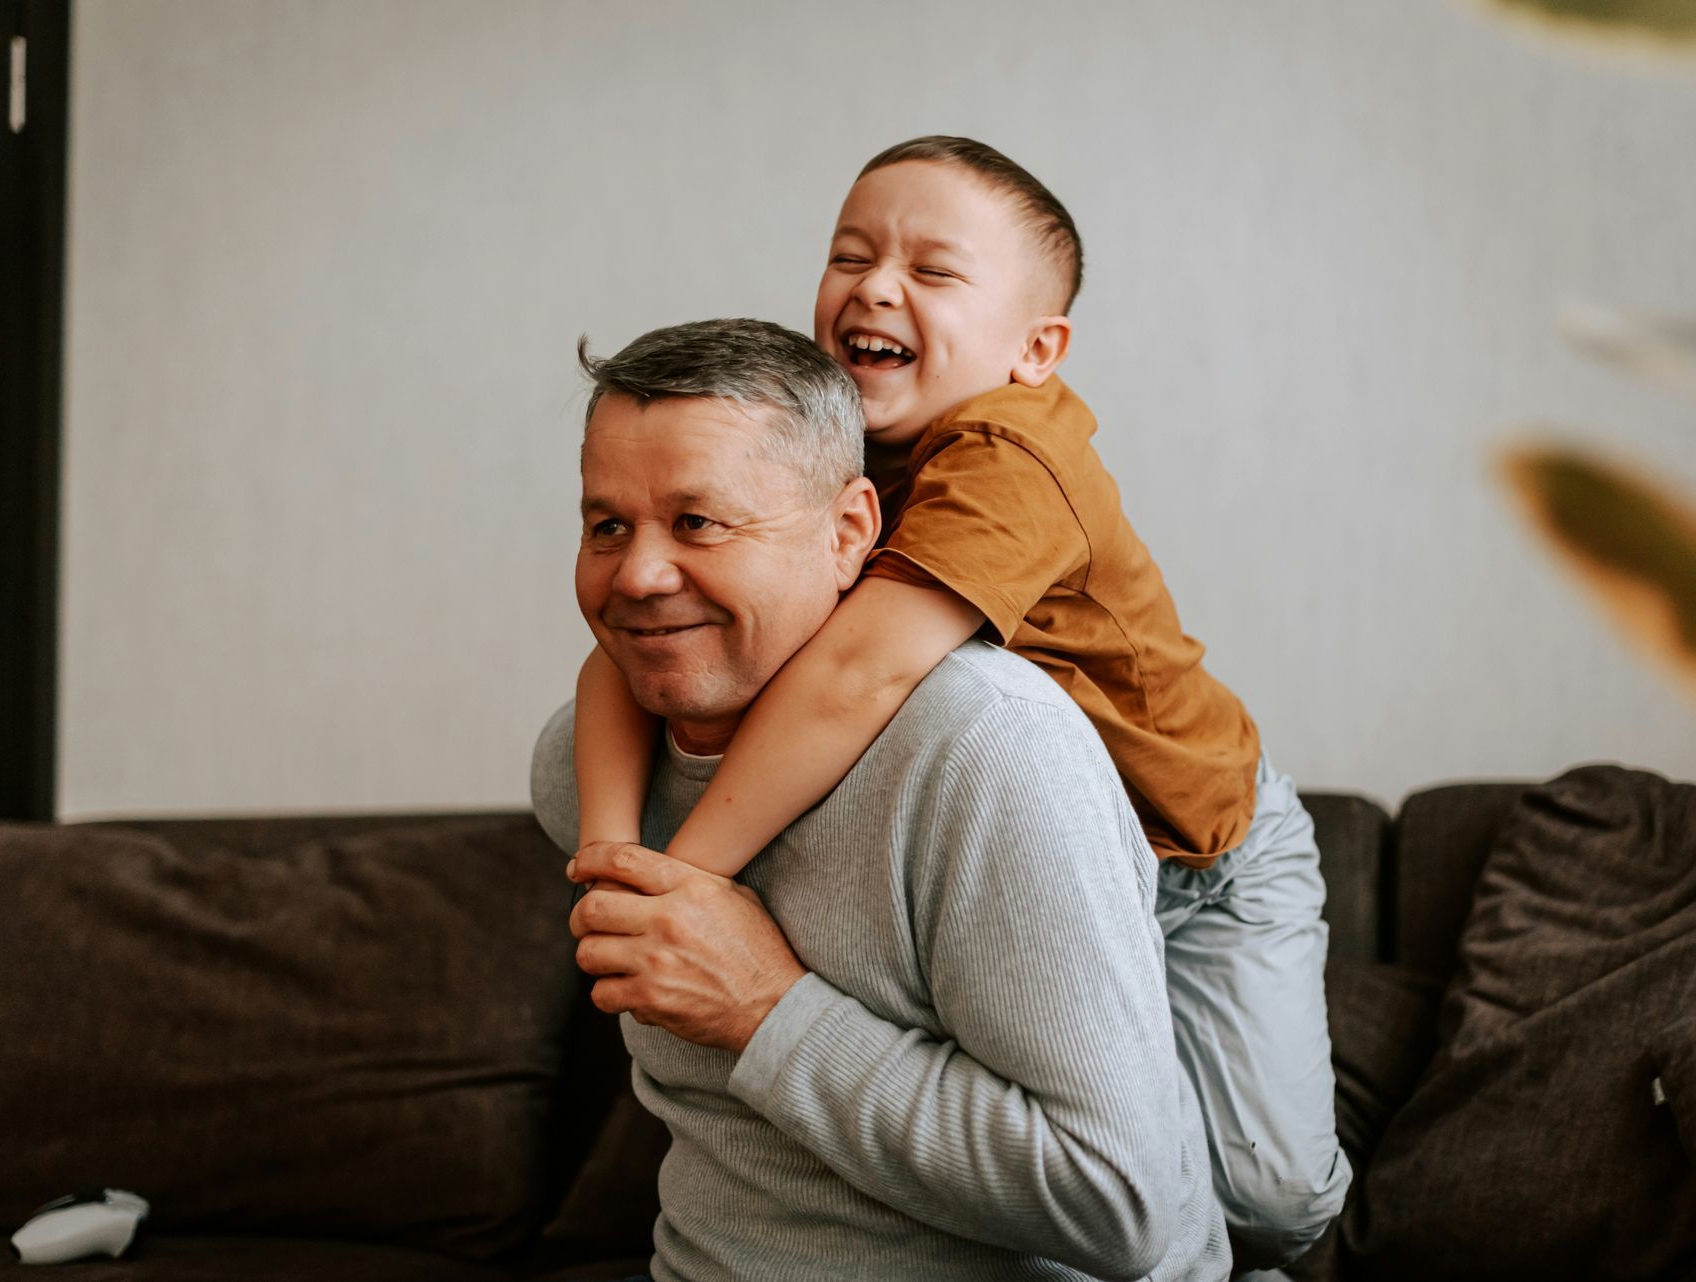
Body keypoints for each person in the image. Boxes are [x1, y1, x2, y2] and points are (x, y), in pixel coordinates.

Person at [571, 137, 1348, 1268]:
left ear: (1037, 349)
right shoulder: (828, 449)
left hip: (1199, 853)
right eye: (852, 255)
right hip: (1050, 867)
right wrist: (609, 863)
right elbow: (620, 654)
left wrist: (687, 884)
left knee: (1268, 1195)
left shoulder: (1013, 457)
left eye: (933, 272)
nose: (877, 286)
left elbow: (858, 674)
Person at [532, 316, 1229, 1281]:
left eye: (700, 522)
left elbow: (1123, 1202)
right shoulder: (579, 766)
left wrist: (764, 1008)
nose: (640, 575)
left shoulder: (988, 750)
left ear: (851, 531)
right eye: (607, 525)